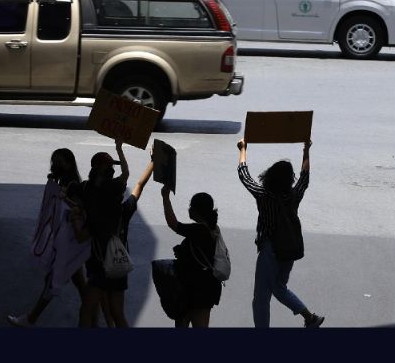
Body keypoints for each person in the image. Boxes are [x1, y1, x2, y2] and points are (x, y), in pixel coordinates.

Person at [237, 139, 324, 328]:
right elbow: (304, 178)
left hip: (270, 250)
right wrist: (306, 151)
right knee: (279, 287)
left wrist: (243, 150)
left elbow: (244, 175)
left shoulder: (263, 195)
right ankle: (309, 317)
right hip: (288, 249)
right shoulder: (293, 196)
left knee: (261, 299)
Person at [7, 149, 90, 327]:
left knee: (53, 282)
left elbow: (77, 209)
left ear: (69, 163)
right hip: (69, 243)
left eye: (59, 161)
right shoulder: (65, 181)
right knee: (79, 282)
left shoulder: (73, 185)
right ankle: (92, 315)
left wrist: (63, 196)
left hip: (68, 243)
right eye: (53, 161)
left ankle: (31, 319)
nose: (54, 165)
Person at [77, 144, 153, 328]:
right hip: (118, 264)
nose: (112, 169)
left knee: (87, 309)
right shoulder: (123, 210)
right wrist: (152, 162)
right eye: (110, 166)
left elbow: (81, 235)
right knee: (117, 312)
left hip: (98, 263)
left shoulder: (88, 192)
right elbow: (138, 185)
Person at [160, 187, 222, 327]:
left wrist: (165, 198)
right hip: (206, 288)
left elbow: (173, 224)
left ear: (197, 211)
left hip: (193, 288)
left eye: (191, 206)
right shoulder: (212, 229)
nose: (189, 209)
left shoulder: (198, 229)